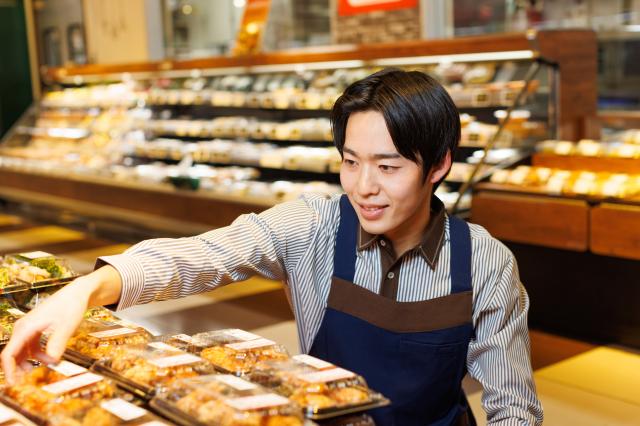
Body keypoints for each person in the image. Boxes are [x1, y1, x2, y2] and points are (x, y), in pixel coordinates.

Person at [1, 69, 543, 425]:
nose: (363, 187)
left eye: (388, 166)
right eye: (350, 162)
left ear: (440, 165)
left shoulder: (485, 261)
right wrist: (90, 287)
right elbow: (203, 255)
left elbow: (513, 406)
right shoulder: (310, 226)